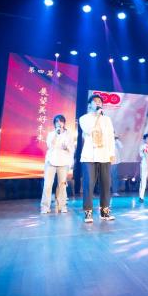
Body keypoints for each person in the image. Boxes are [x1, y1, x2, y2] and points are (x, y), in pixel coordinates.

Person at [79, 94, 116, 223]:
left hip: (104, 155)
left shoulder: (107, 119)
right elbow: (89, 130)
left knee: (106, 184)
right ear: (89, 105)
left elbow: (110, 137)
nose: (98, 102)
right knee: (89, 184)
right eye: (95, 101)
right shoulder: (84, 118)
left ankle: (104, 212)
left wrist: (112, 153)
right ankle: (88, 213)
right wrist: (97, 115)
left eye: (100, 101)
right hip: (89, 156)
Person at [40, 114, 74, 214]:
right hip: (51, 162)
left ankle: (62, 206)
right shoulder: (51, 134)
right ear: (54, 124)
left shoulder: (68, 134)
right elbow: (49, 145)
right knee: (47, 185)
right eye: (57, 122)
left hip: (63, 162)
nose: (59, 123)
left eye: (61, 121)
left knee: (62, 185)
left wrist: (67, 147)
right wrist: (56, 134)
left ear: (64, 123)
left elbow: (72, 148)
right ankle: (45, 206)